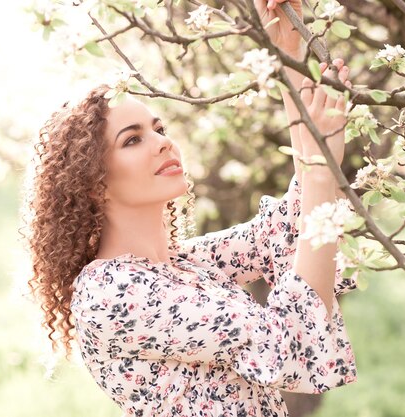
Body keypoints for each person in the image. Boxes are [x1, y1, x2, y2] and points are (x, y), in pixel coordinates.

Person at [23, 1, 358, 416]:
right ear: (93, 185)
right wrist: (323, 172)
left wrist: (288, 58)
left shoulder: (181, 265)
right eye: (132, 139)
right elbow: (283, 344)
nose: (163, 141)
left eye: (158, 129)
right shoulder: (111, 293)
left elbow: (289, 227)